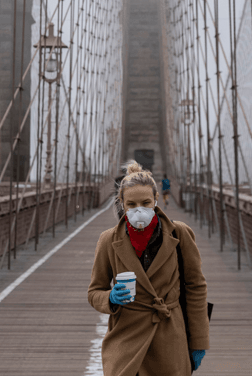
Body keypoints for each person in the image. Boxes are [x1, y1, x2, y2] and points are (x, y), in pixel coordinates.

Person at [88, 161, 209, 376]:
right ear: (122, 205)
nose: (139, 210)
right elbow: (94, 292)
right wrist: (111, 298)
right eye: (131, 205)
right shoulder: (107, 240)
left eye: (145, 202)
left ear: (156, 200)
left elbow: (196, 287)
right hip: (125, 339)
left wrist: (198, 342)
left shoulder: (179, 234)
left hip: (169, 338)